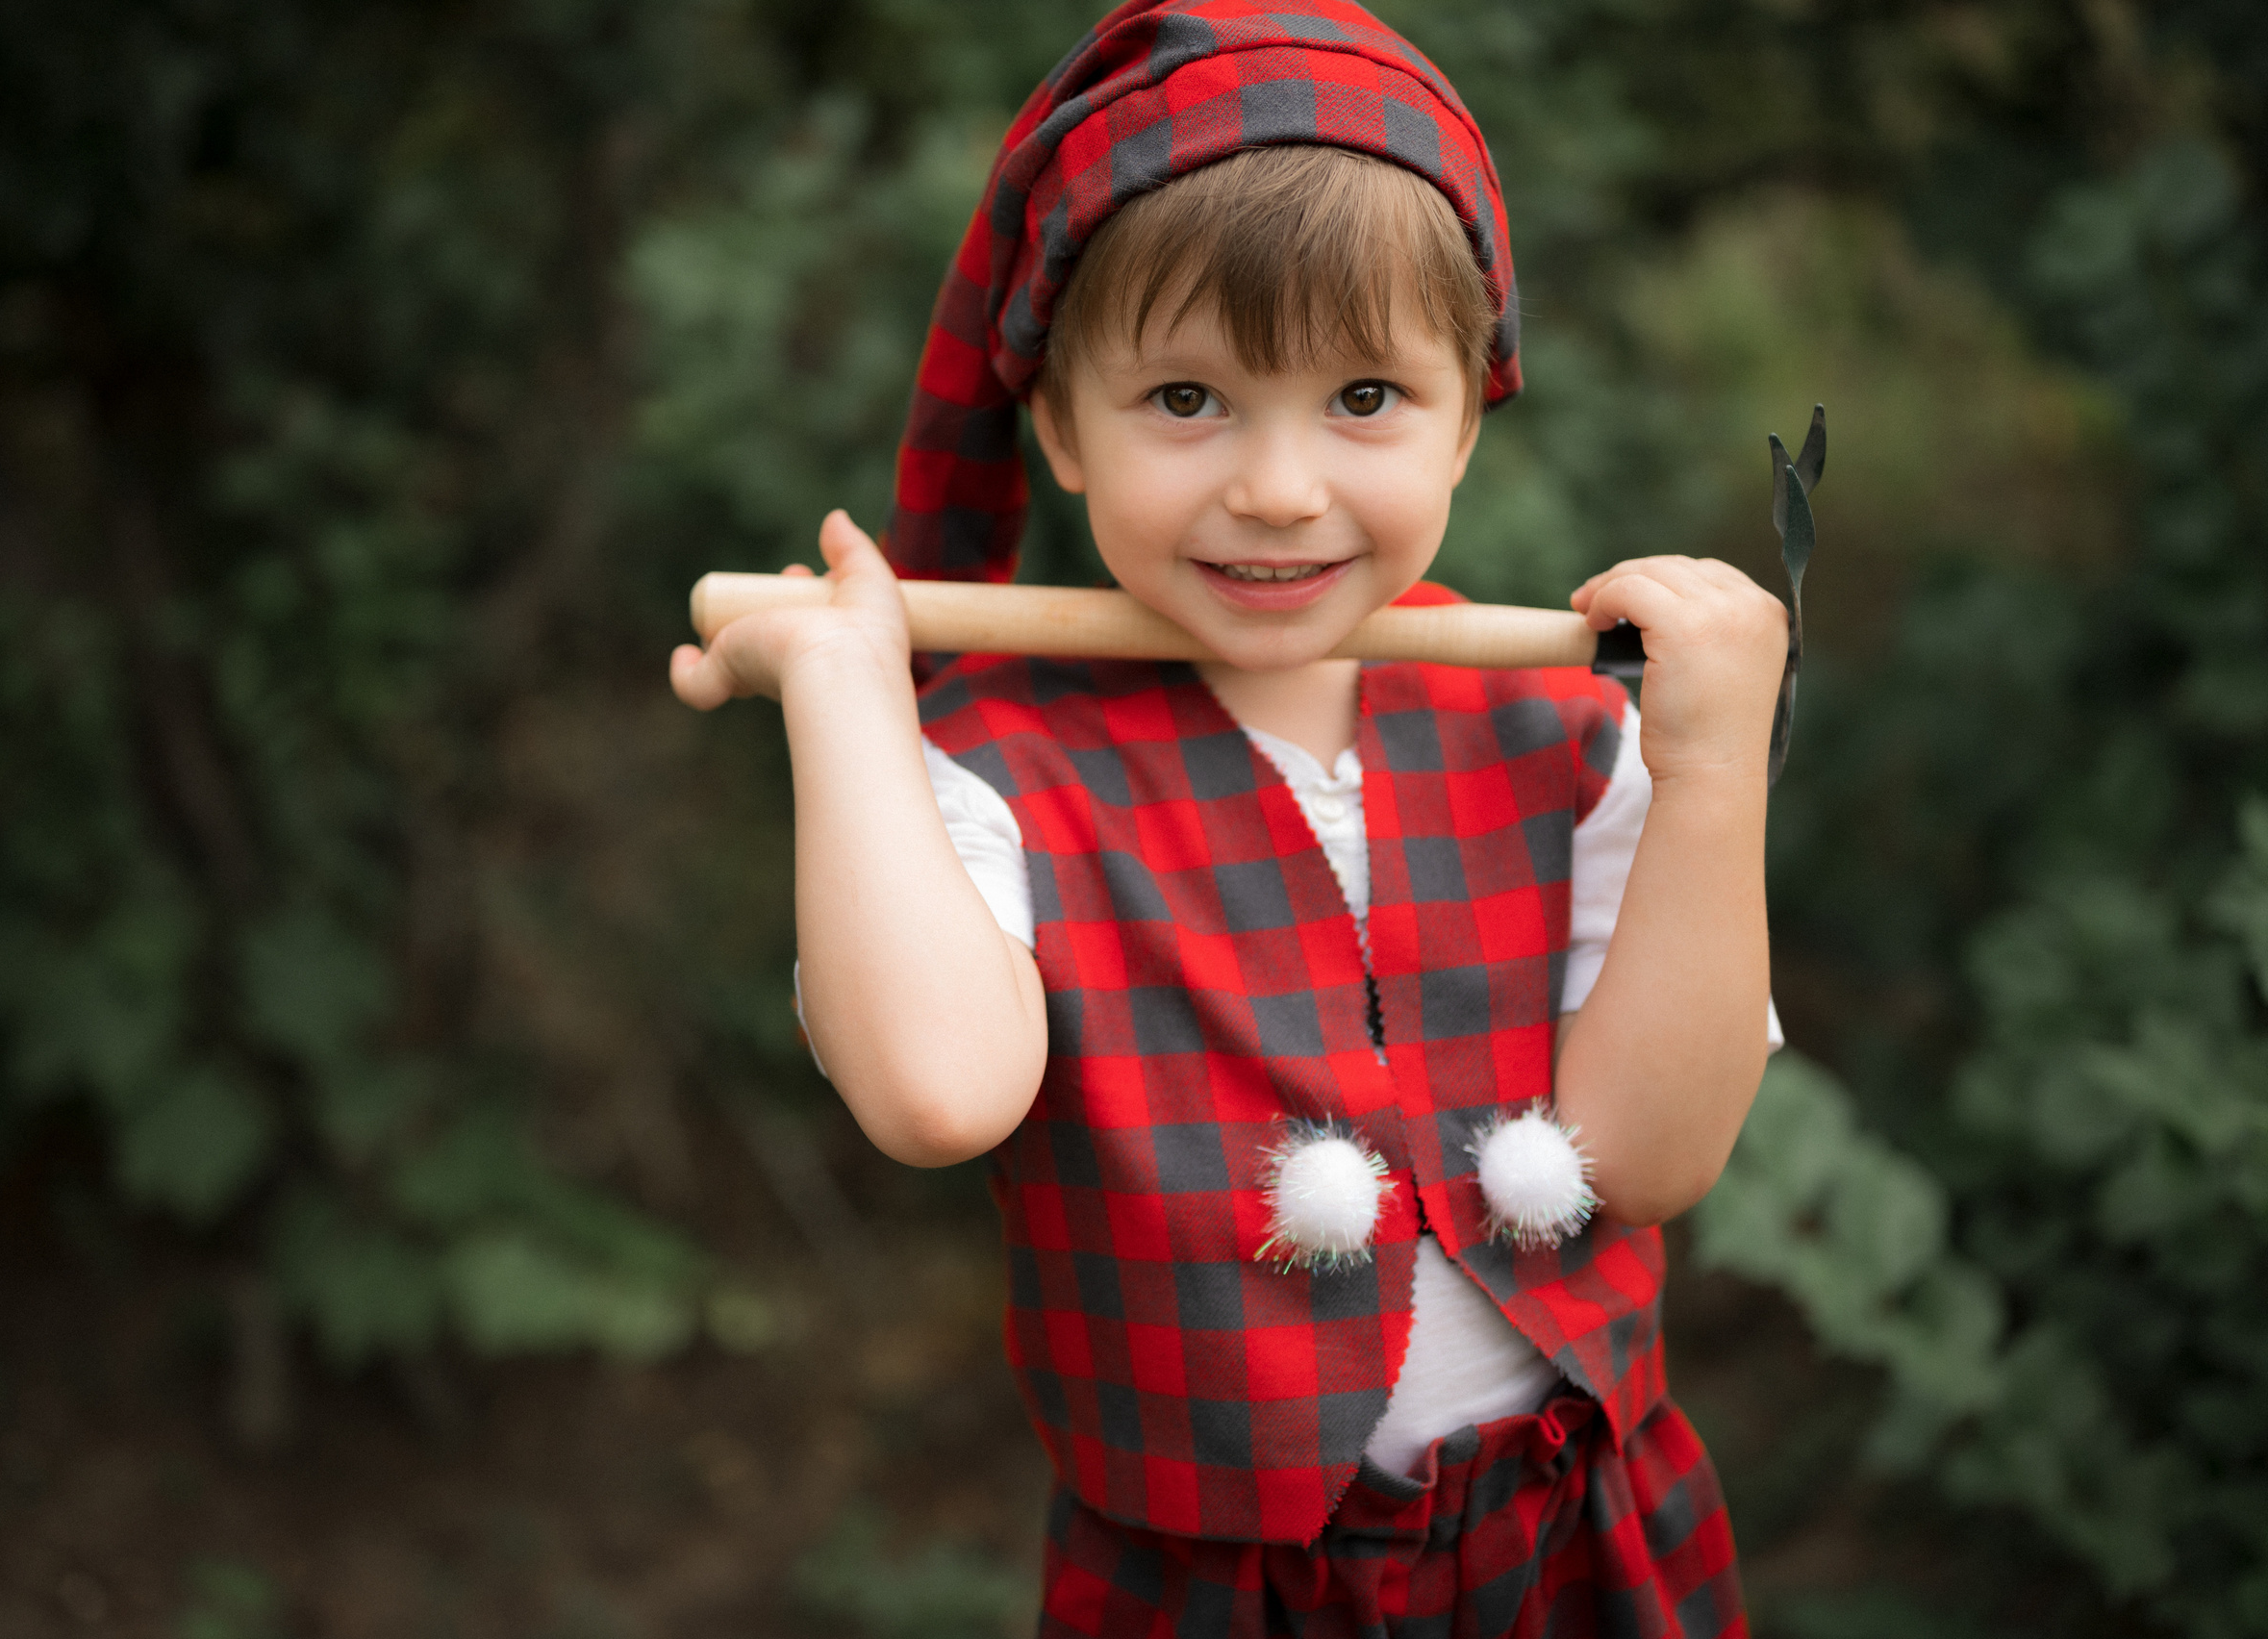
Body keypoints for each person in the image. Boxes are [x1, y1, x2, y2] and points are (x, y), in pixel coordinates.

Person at [670, 3, 1782, 1631]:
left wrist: (1715, 779)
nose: (1276, 485)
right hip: (1215, 1587)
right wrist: (853, 697)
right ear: (1057, 421)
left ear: (1470, 414)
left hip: (1571, 1543)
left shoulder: (1563, 732)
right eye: (1186, 399)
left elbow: (1656, 1158)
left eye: (1364, 398)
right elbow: (934, 1092)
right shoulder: (990, 768)